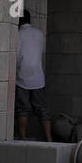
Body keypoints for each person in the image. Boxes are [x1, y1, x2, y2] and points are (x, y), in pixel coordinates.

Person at [15, 10, 52, 141]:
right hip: (38, 78)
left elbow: (17, 56)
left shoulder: (17, 35)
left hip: (22, 78)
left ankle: (22, 137)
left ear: (18, 21)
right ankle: (49, 138)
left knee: (23, 109)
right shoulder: (39, 34)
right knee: (43, 109)